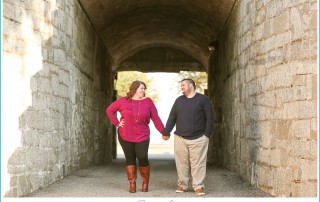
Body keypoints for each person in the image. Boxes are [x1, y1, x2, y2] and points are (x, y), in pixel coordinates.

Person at [106, 80, 165, 193]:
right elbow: (109, 110)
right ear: (134, 89)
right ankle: (132, 183)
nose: (143, 90)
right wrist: (117, 123)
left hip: (142, 134)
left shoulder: (148, 102)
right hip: (125, 134)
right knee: (130, 158)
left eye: (144, 88)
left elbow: (155, 118)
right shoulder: (123, 101)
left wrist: (163, 131)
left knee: (142, 156)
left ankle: (145, 182)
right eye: (141, 88)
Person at [162, 78, 214, 196]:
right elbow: (172, 117)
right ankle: (182, 184)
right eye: (181, 85)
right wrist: (166, 132)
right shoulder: (179, 101)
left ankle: (198, 186)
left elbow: (210, 118)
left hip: (199, 137)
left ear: (191, 85)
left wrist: (206, 135)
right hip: (180, 137)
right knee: (181, 162)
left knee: (198, 163)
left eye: (183, 85)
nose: (182, 87)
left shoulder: (203, 99)